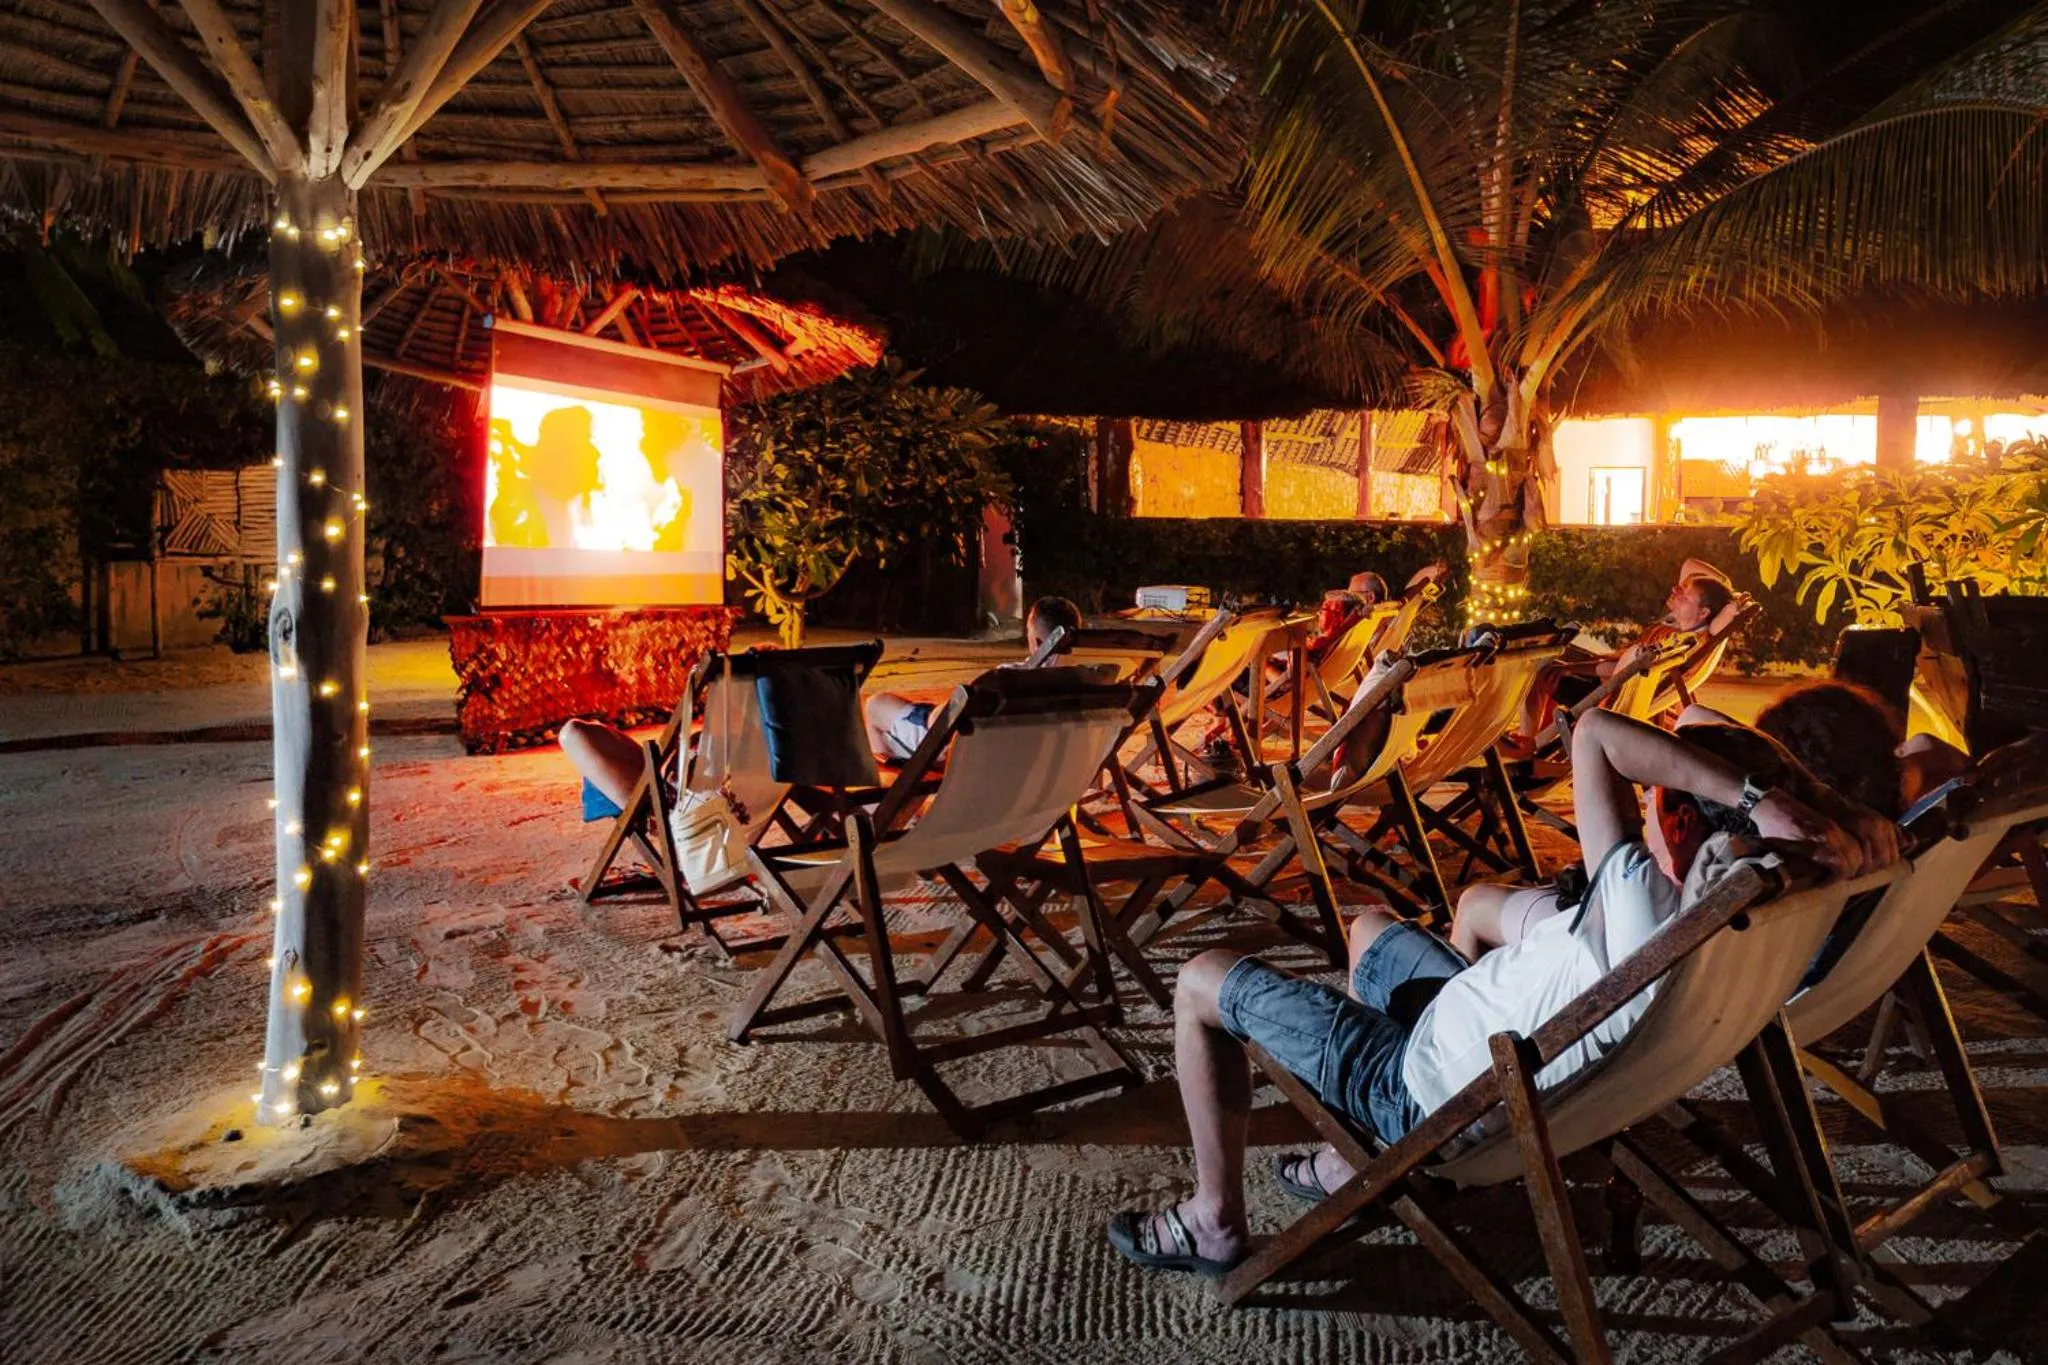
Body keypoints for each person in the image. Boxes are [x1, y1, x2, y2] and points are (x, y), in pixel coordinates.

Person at [1103, 708, 1895, 1275]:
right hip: (1491, 1039)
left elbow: (1594, 733)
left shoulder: (1638, 905)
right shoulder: (1722, 912)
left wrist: (1765, 799)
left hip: (1428, 1095)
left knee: (1201, 980)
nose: (1646, 818)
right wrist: (1823, 808)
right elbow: (1697, 715)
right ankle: (1357, 1160)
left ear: (1682, 824)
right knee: (1372, 927)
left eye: (1657, 806)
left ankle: (1213, 1220)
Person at [1514, 558, 1737, 745]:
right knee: (1548, 650)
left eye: (1685, 596)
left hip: (1607, 694)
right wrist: (1726, 598)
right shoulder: (1684, 627)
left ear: (1703, 613)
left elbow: (1623, 671)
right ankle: (1530, 741)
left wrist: (1570, 668)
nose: (1676, 592)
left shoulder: (1678, 641)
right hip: (1613, 679)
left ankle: (1529, 744)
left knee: (1538, 665)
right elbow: (1692, 566)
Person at [862, 595, 1083, 761]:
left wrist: (939, 710)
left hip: (954, 747)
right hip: (1018, 760)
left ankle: (891, 805)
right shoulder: (1085, 683)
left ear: (1034, 640)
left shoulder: (1008, 678)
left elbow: (941, 720)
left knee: (875, 705)